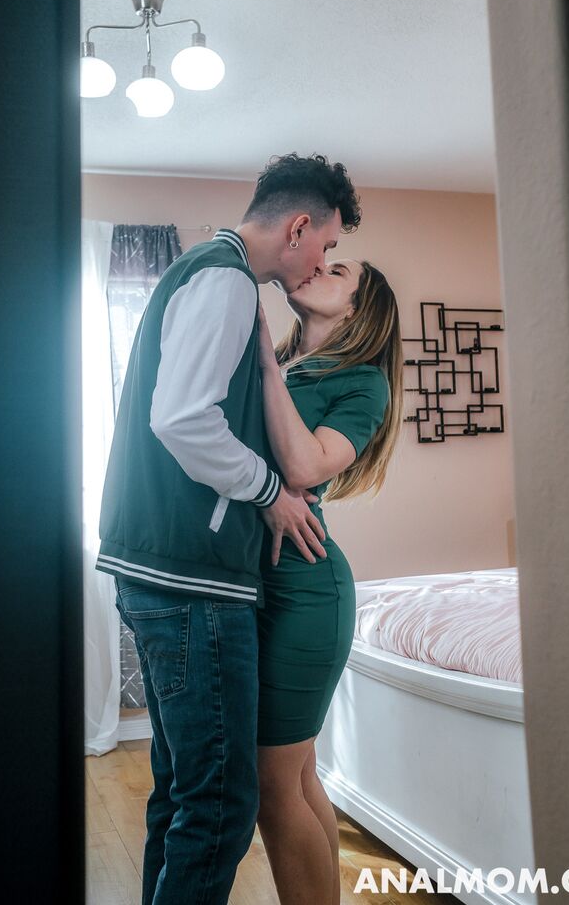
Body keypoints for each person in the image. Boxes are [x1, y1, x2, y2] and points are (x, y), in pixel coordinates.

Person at [95, 152, 362, 905]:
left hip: (166, 570)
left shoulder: (209, 275)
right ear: (299, 227)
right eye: (326, 245)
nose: (321, 262)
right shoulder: (226, 280)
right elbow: (182, 419)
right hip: (193, 579)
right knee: (217, 809)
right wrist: (270, 492)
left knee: (184, 794)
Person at [253, 257, 404, 905]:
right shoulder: (288, 364)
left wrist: (264, 365)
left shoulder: (364, 382)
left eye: (337, 269)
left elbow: (305, 465)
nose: (318, 267)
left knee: (271, 784)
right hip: (255, 585)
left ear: (359, 307)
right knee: (296, 773)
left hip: (306, 592)